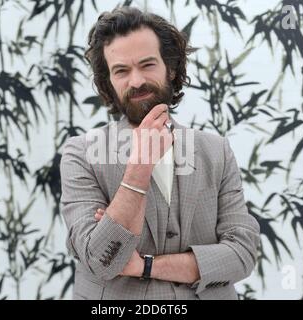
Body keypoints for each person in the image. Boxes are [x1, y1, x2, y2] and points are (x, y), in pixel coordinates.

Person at [60, 6, 260, 300]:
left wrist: (145, 265)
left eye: (147, 64)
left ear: (172, 68)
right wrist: (138, 170)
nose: (136, 80)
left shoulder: (216, 151)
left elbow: (242, 255)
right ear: (108, 83)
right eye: (121, 71)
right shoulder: (81, 154)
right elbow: (101, 261)